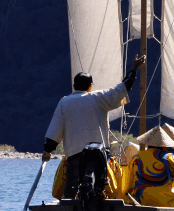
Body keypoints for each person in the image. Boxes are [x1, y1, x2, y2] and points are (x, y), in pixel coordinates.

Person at [42, 54, 145, 199]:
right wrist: (134, 69)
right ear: (90, 87)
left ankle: (70, 208)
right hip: (98, 155)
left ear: (74, 86)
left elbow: (55, 129)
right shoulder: (99, 98)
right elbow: (123, 88)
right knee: (100, 189)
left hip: (74, 156)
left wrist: (48, 150)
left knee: (71, 191)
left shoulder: (64, 102)